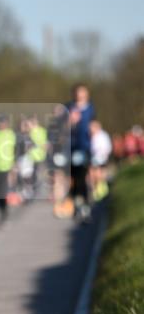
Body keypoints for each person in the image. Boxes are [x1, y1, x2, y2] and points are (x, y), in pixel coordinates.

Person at [67, 83, 95, 222]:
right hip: (70, 147)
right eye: (78, 92)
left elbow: (94, 126)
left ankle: (85, 206)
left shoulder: (91, 108)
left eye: (83, 92)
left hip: (84, 147)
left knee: (82, 177)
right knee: (72, 178)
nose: (80, 95)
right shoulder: (68, 107)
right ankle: (76, 204)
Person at [89, 120, 112, 201]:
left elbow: (107, 148)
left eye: (91, 127)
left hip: (100, 158)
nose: (90, 129)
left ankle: (102, 191)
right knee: (93, 175)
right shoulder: (93, 136)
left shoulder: (102, 136)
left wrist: (102, 156)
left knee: (99, 175)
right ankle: (97, 192)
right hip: (95, 158)